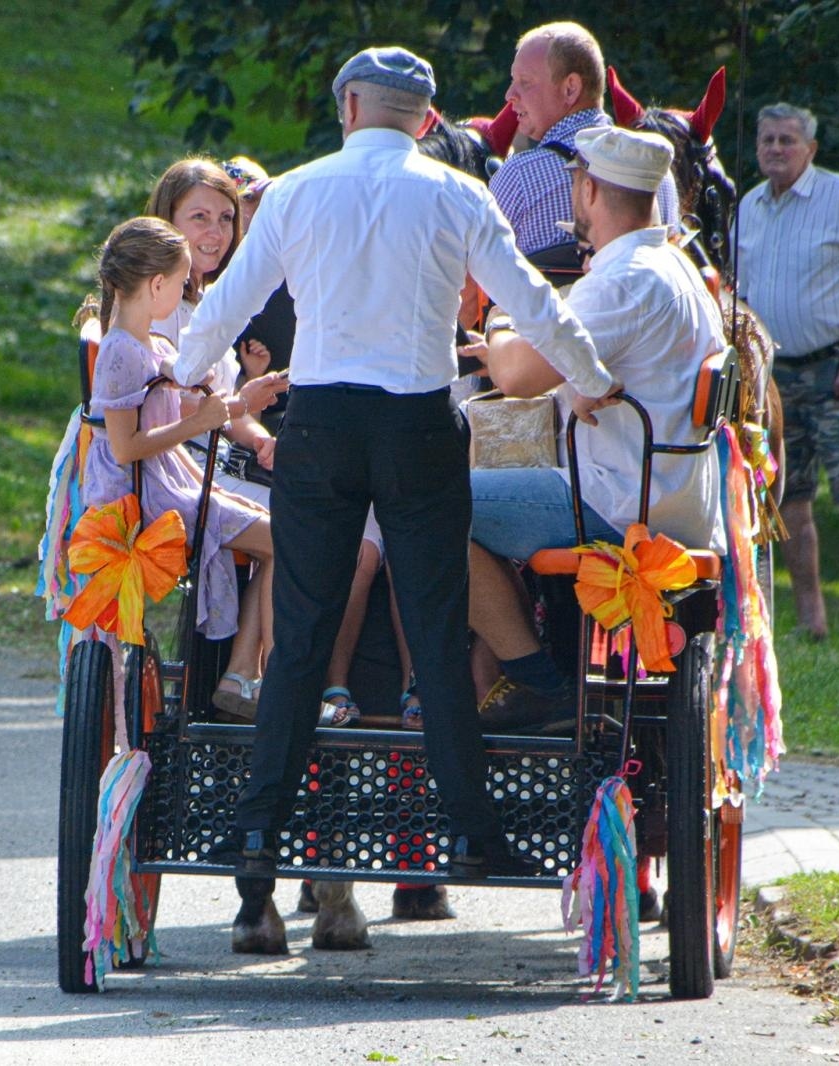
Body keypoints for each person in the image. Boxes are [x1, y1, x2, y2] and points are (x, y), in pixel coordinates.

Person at [173, 46, 615, 883]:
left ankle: (259, 835)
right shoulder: (457, 192)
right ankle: (473, 835)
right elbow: (534, 303)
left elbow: (224, 310)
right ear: (427, 120)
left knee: (300, 633)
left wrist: (183, 375)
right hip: (417, 426)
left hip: (323, 426)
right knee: (440, 635)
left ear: (347, 108)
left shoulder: (298, 190)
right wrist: (593, 380)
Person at [464, 126, 727, 729]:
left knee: (422, 507)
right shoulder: (674, 268)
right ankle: (524, 660)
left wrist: (503, 323)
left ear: (586, 191)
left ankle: (536, 681)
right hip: (671, 495)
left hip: (618, 501)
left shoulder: (624, 280)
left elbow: (519, 374)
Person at [82, 217, 283, 716]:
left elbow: (189, 409)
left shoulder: (153, 346)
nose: (184, 291)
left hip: (174, 480)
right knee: (286, 541)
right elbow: (126, 447)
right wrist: (204, 422)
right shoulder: (120, 352)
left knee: (283, 538)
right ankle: (257, 677)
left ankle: (245, 673)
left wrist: (240, 404)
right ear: (156, 285)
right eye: (181, 281)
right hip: (149, 495)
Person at [738, 102, 839, 647]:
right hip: (775, 378)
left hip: (837, 368)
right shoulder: (748, 206)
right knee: (786, 497)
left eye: (787, 141)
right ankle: (810, 620)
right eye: (768, 140)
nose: (776, 149)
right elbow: (743, 298)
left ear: (811, 149)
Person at [488, 21, 679, 258]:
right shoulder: (659, 176)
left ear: (570, 88)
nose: (509, 95)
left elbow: (474, 276)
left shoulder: (518, 177)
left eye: (525, 82)